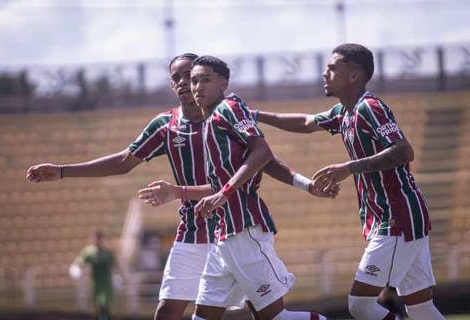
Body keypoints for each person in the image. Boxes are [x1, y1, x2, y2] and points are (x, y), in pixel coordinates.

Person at [26, 53, 332, 320]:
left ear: (213, 80)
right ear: (173, 85)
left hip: (237, 225)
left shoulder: (228, 112)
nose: (188, 83)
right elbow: (123, 161)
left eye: (194, 76)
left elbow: (260, 158)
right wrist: (63, 170)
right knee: (170, 311)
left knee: (266, 313)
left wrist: (182, 191)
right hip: (197, 231)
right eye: (179, 78)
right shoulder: (167, 125)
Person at [252, 43, 445, 320]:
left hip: (398, 217)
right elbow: (306, 122)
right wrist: (256, 115)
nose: (324, 74)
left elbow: (404, 150)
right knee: (420, 307)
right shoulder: (344, 112)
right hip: (394, 216)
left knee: (360, 304)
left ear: (353, 75)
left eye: (332, 68)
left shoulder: (370, 107)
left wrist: (348, 167)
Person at [163, 55, 328, 320]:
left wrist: (222, 193)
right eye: (194, 81)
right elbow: (265, 160)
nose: (197, 87)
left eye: (205, 80)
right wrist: (306, 185)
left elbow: (261, 152)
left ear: (223, 83)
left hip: (244, 231)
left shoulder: (229, 107)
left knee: (275, 317)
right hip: (223, 237)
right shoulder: (209, 120)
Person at [69, 230, 116, 320]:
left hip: (106, 285)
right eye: (96, 239)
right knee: (100, 307)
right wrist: (75, 268)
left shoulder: (108, 253)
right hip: (96, 285)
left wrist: (117, 279)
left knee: (103, 305)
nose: (98, 241)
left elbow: (113, 267)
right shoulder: (90, 252)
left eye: (100, 239)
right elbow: (80, 261)